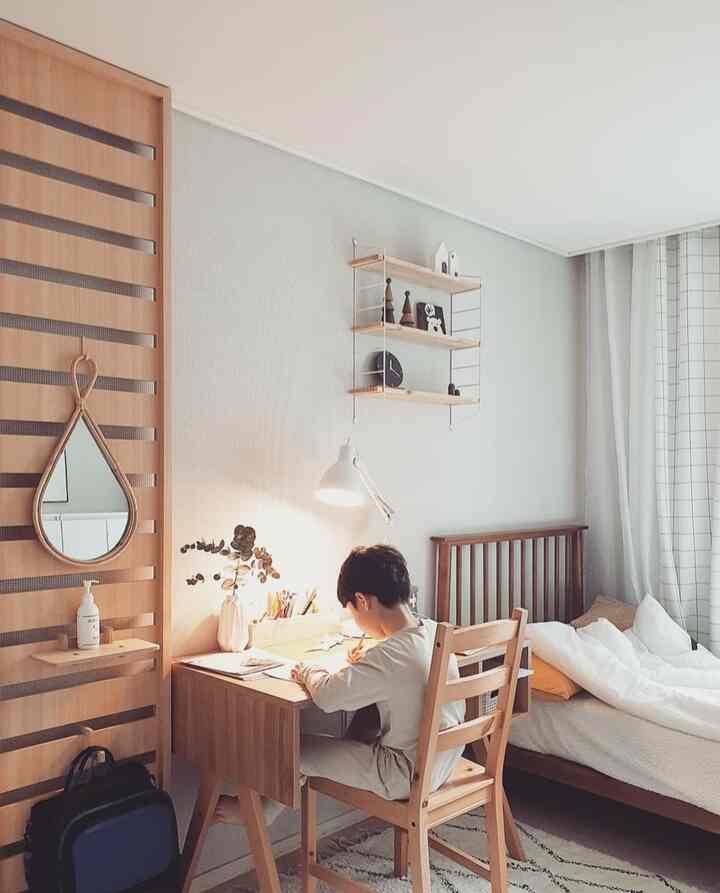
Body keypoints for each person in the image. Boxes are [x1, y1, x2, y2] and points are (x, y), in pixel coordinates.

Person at [215, 544, 465, 826]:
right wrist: (368, 662)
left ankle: (261, 812)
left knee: (294, 750)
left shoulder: (390, 656)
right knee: (365, 719)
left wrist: (308, 670)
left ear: (362, 601)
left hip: (404, 774)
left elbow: (328, 697)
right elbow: (398, 669)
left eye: (351, 612)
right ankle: (269, 808)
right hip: (442, 762)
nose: (355, 622)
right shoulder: (432, 630)